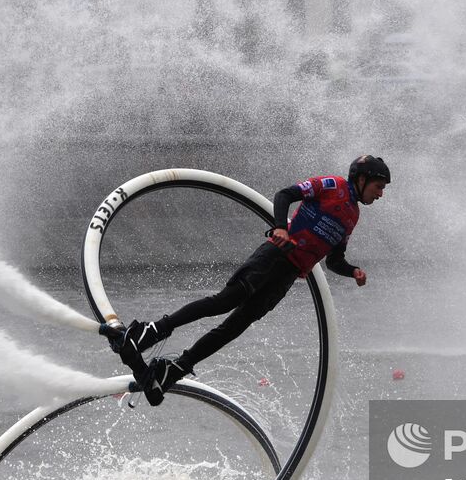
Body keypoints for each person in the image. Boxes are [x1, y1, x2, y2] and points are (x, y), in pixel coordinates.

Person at [98, 155, 390, 405]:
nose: (380, 194)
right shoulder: (332, 186)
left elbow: (334, 260)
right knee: (224, 302)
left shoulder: (352, 216)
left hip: (287, 277)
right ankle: (150, 332)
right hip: (274, 257)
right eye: (378, 187)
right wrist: (280, 227)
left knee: (234, 327)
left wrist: (352, 271)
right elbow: (285, 195)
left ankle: (173, 370)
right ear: (361, 179)